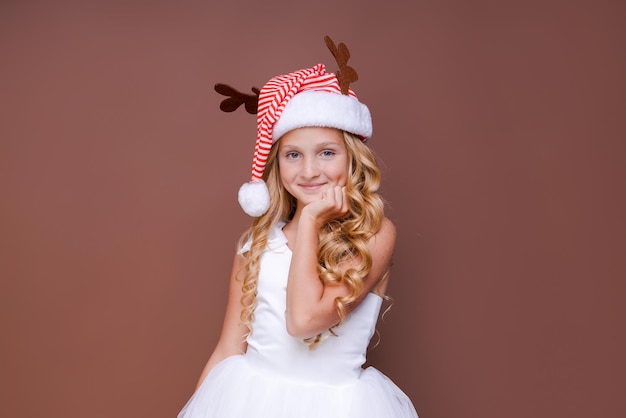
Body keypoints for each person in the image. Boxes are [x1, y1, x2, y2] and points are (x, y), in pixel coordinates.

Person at [178, 37, 418, 418]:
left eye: (326, 152)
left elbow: (304, 320)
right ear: (277, 165)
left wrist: (309, 221)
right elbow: (227, 349)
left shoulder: (374, 234)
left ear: (352, 160)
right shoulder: (257, 245)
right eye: (293, 155)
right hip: (248, 403)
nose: (309, 171)